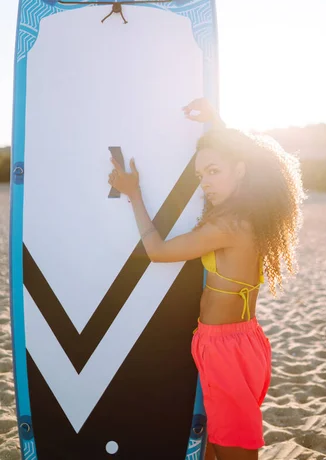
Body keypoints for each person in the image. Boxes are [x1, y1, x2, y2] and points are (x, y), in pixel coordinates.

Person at [108, 98, 308, 460]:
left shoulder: (227, 225)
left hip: (226, 349)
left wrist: (134, 195)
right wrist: (216, 122)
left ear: (241, 170)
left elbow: (157, 250)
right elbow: (233, 154)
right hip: (243, 342)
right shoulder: (251, 215)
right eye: (201, 176)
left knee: (232, 449)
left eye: (213, 172)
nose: (205, 184)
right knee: (218, 443)